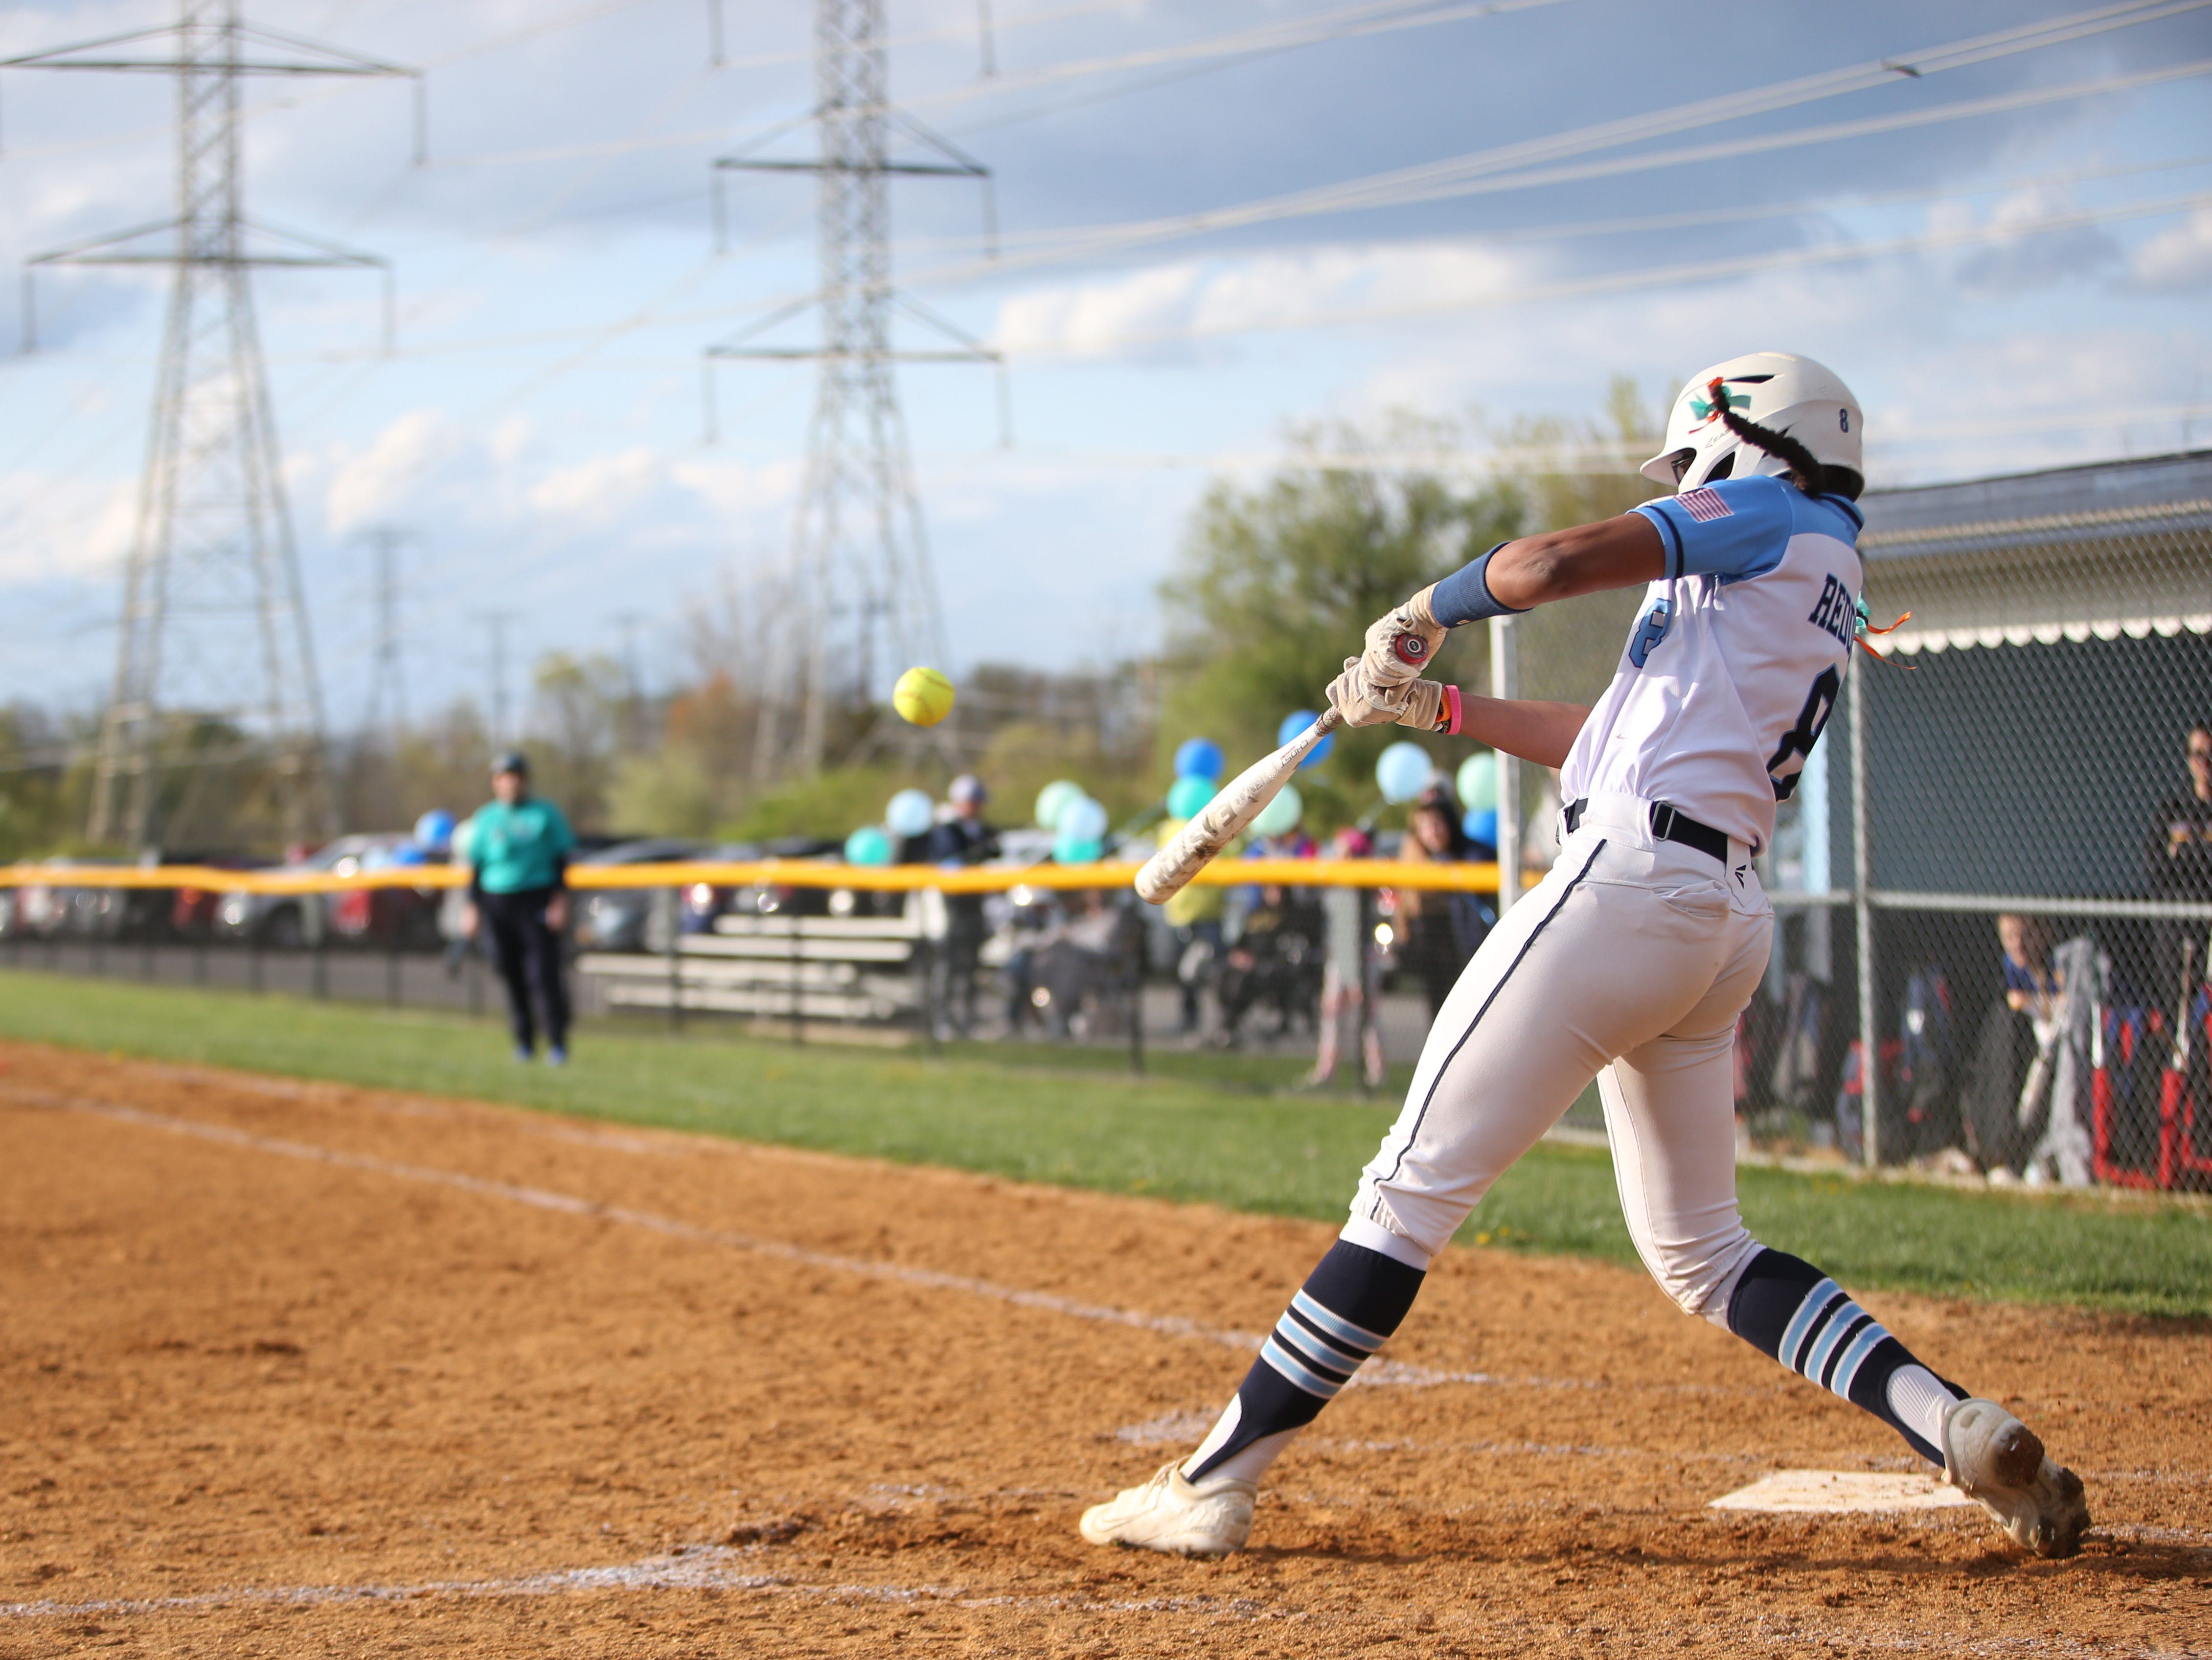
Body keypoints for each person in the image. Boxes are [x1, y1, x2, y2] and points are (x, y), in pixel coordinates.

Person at [1079, 351, 2088, 1562]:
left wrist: (1428, 605)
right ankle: (1954, 1426)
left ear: (1747, 437)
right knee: (1704, 1252)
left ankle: (1209, 1482)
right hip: (1713, 916)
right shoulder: (1813, 571)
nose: (1676, 484)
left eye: (1686, 463)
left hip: (1629, 889)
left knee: (1402, 1195)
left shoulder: (1769, 508)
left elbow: (1545, 565)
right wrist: (1437, 708)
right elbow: (1600, 737)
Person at [460, 751, 577, 1065]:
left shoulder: (544, 814)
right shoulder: (487, 818)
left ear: (525, 781)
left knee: (542, 974)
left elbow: (562, 861)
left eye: (516, 776)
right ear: (496, 782)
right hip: (498, 903)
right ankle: (524, 1042)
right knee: (509, 972)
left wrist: (560, 901)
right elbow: (477, 867)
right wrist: (471, 907)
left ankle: (557, 1043)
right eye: (504, 777)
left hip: (536, 900)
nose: (510, 782)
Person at [1393, 781, 1492, 1021]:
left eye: (1438, 823)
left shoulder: (1475, 854)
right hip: (1445, 958)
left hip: (1481, 956)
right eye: (1425, 826)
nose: (1433, 831)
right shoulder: (1423, 862)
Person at [1307, 827, 1386, 1091]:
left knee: (1368, 1019)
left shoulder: (1363, 882)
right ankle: (1326, 1070)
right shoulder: (1333, 881)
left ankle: (1375, 1072)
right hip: (1338, 957)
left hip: (1362, 958)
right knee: (1331, 1017)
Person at [926, 774, 1001, 1038]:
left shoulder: (983, 830)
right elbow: (949, 863)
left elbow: (996, 854)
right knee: (948, 964)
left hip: (975, 906)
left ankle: (967, 1019)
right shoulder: (947, 830)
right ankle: (942, 1018)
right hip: (951, 908)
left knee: (971, 966)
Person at [2145, 721, 2212, 1008]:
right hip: (2175, 915)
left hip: (2207, 914)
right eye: (2198, 754)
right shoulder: (2173, 810)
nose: (2204, 762)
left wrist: (2183, 853)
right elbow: (2155, 865)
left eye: (2209, 755)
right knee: (2175, 1001)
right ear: (2188, 759)